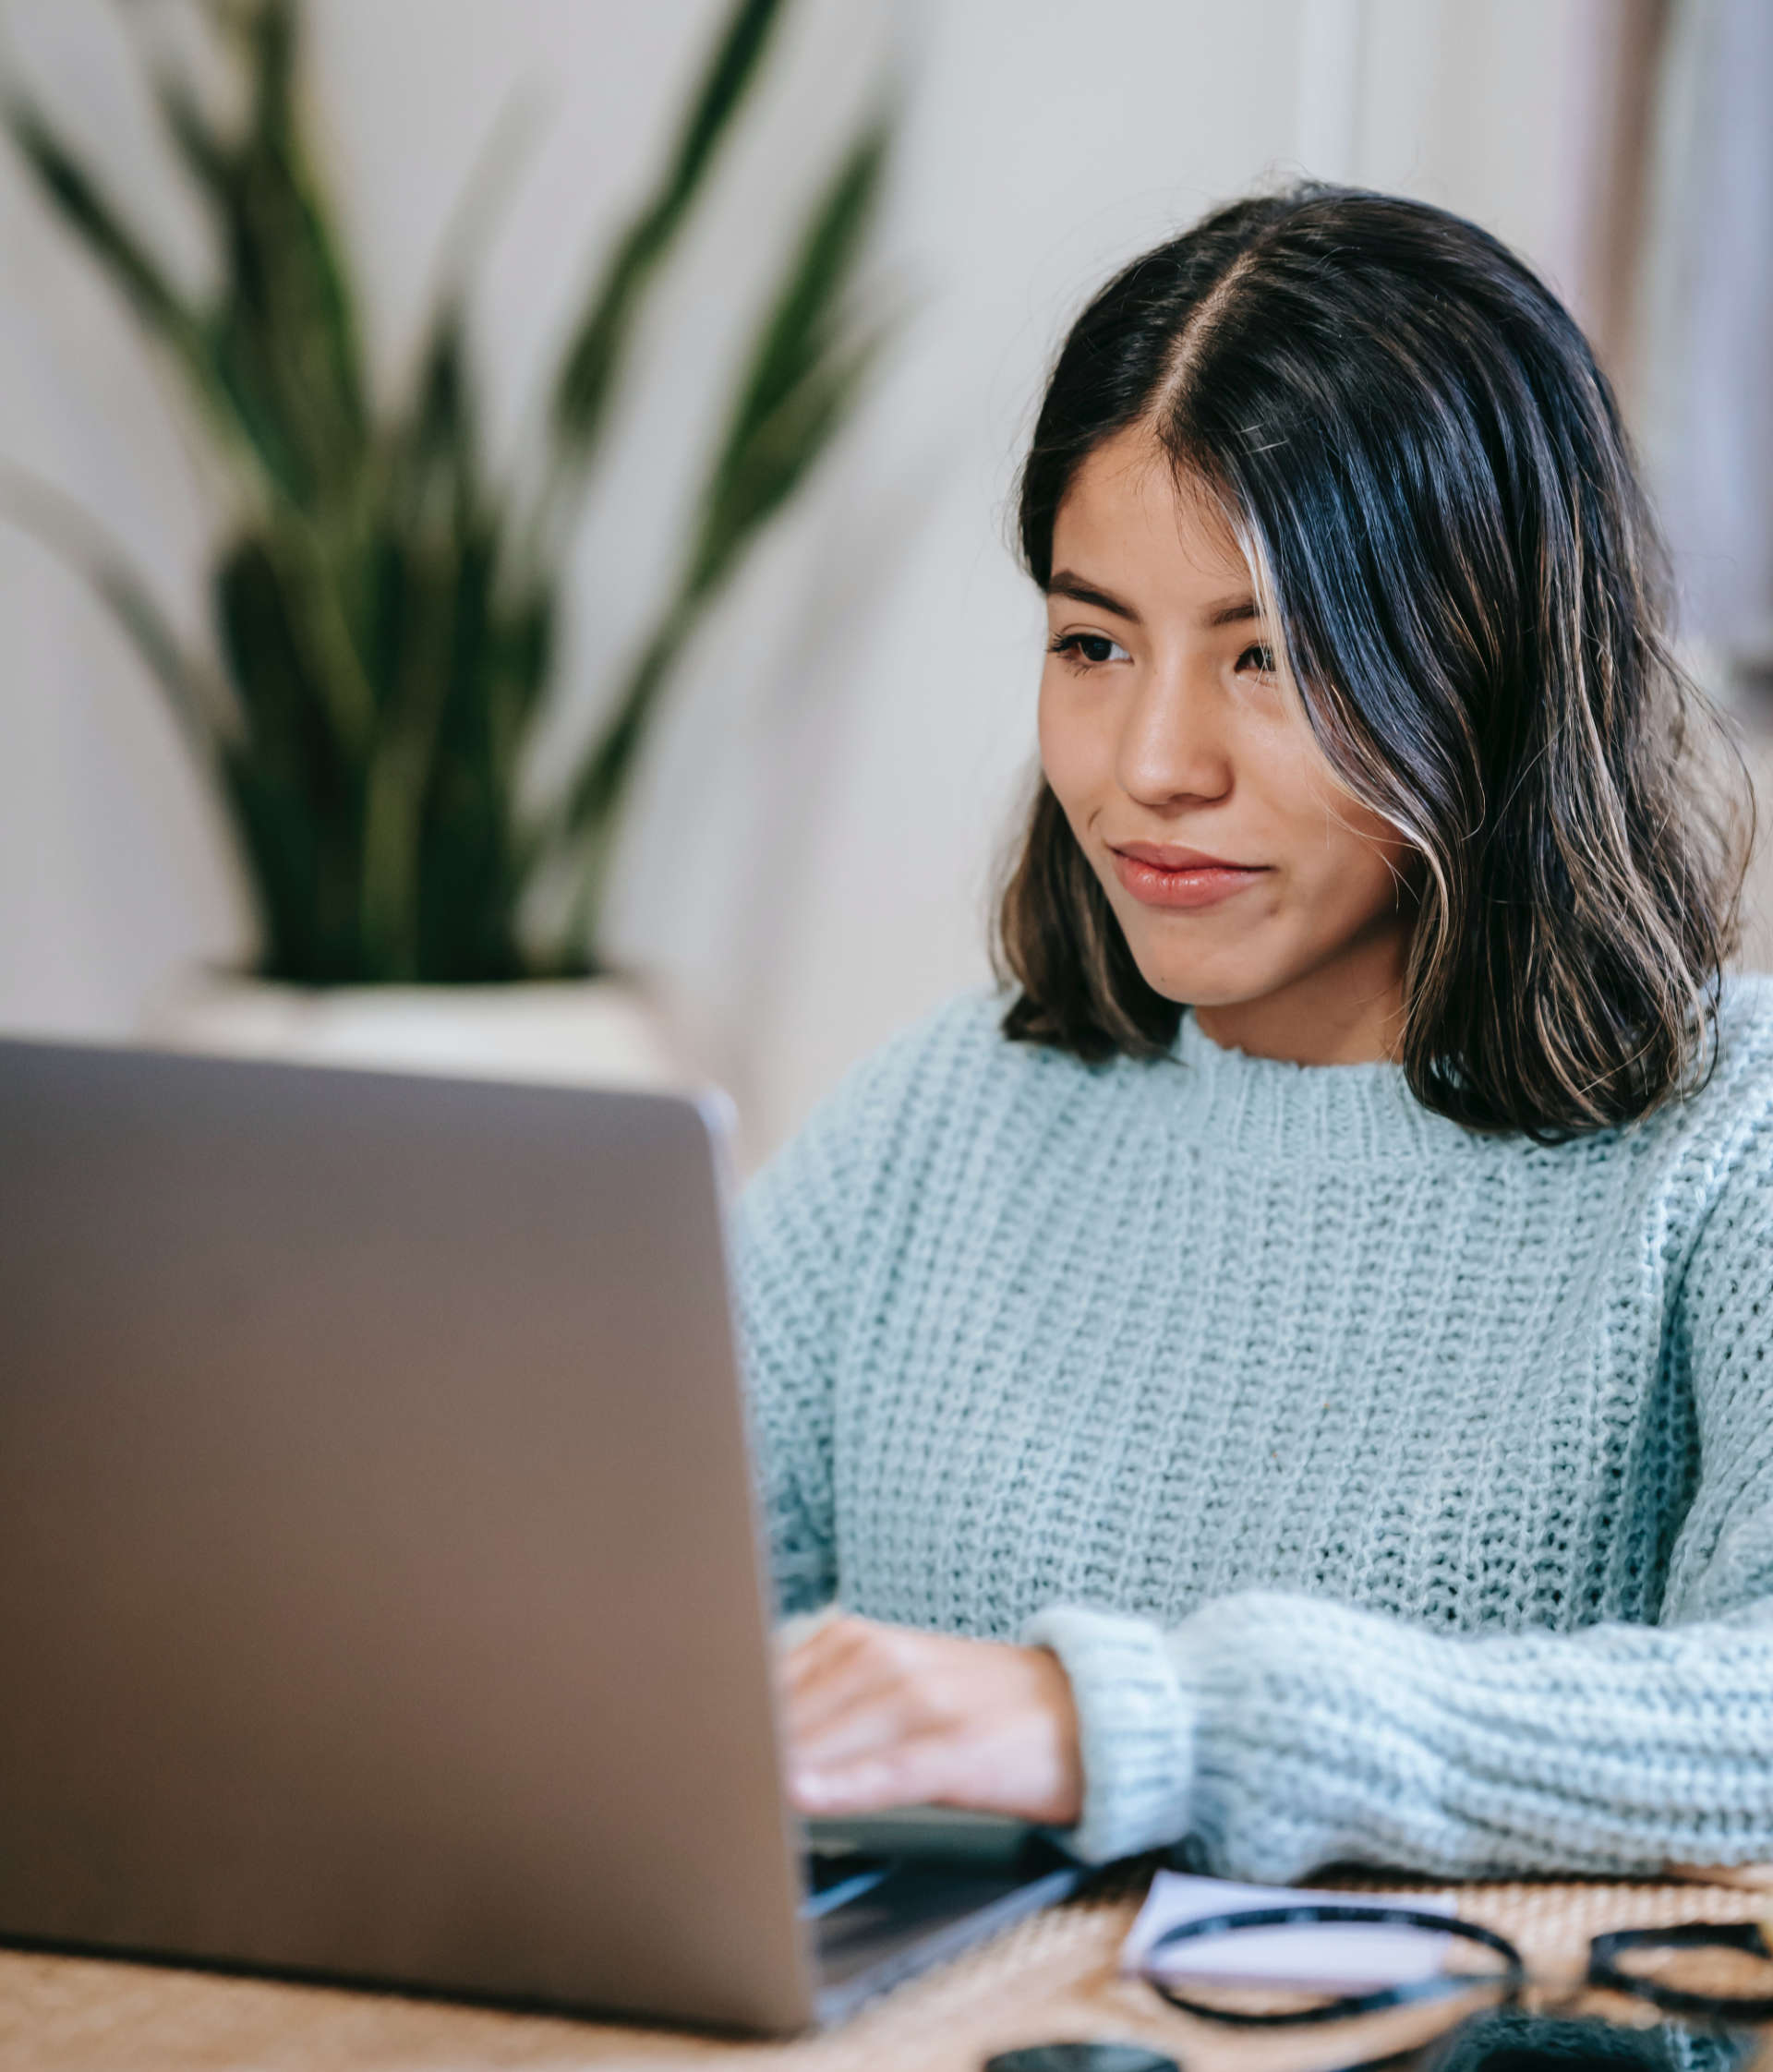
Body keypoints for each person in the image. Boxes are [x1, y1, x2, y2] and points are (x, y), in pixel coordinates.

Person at [734, 185, 1773, 1882]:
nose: (1151, 764)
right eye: (1091, 641)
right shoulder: (941, 1118)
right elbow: (615, 1618)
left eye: (1269, 656)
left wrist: (1129, 1727)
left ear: (1495, 662)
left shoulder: (1731, 1146)